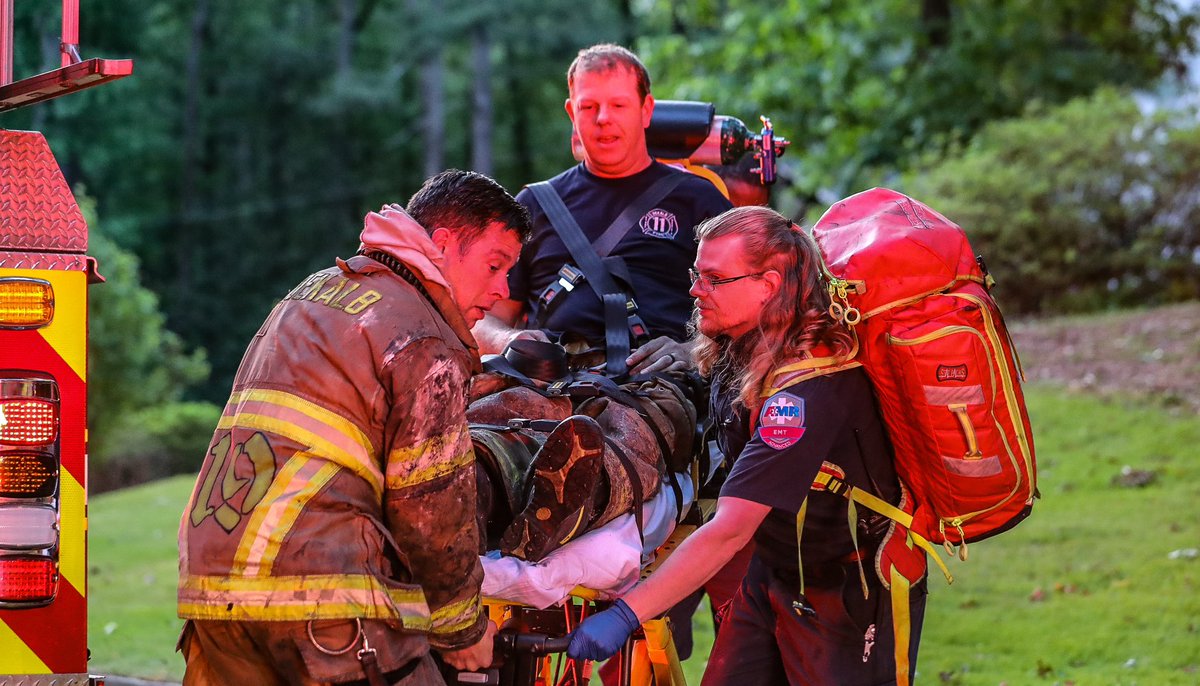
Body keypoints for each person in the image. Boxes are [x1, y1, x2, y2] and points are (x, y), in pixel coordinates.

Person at [176, 170, 532, 685]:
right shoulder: (423, 335)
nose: (502, 292)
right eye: (495, 265)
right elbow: (431, 509)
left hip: (213, 588)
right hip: (322, 596)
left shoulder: (312, 293)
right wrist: (462, 630)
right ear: (444, 243)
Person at [567, 206, 928, 684]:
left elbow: (730, 530)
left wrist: (626, 614)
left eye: (715, 279)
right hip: (777, 572)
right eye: (697, 274)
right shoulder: (743, 350)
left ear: (769, 285)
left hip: (851, 590)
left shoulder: (805, 395)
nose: (696, 291)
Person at [473, 43, 732, 375]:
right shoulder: (532, 205)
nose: (603, 119)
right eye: (589, 106)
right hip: (545, 383)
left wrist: (690, 351)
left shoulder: (699, 199)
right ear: (571, 113)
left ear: (646, 108)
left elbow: (748, 313)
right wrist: (506, 339)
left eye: (619, 105)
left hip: (656, 383)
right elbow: (482, 316)